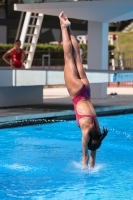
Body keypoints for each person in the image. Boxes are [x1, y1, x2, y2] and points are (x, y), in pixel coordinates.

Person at [59, 11, 108, 169]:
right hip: (77, 93)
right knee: (68, 57)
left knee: (77, 58)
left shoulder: (97, 129)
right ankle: (63, 26)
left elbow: (93, 151)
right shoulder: (87, 131)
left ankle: (69, 27)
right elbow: (85, 155)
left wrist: (92, 167)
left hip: (86, 90)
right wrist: (85, 171)